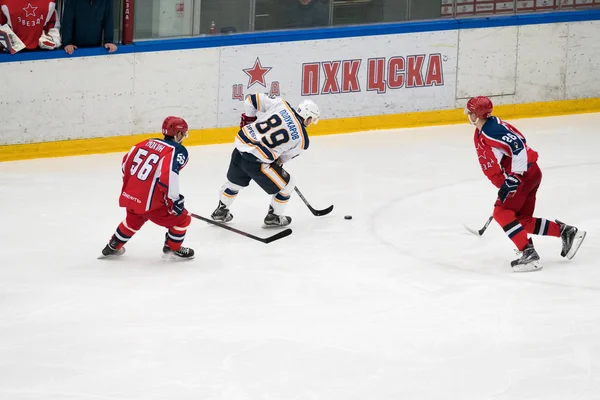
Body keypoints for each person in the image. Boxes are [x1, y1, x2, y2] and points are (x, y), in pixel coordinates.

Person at [466, 96, 586, 272]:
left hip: (523, 176)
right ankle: (566, 232)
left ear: (476, 115)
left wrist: (515, 176)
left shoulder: (491, 130)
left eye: (470, 112)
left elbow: (519, 146)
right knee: (522, 220)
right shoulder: (489, 127)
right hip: (531, 173)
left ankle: (528, 255)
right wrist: (507, 180)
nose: (468, 115)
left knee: (501, 213)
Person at [211, 94, 320, 228]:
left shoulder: (281, 104)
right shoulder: (303, 141)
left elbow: (250, 100)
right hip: (258, 162)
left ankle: (220, 211)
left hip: (241, 146)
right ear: (308, 118)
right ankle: (274, 216)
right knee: (288, 185)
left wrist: (249, 121)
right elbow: (280, 160)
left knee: (234, 183)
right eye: (312, 120)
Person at [100, 116, 194, 260]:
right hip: (153, 204)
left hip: (132, 195)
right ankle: (172, 248)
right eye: (184, 133)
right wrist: (173, 201)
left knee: (134, 219)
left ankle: (113, 245)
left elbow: (125, 164)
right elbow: (169, 176)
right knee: (183, 218)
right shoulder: (177, 150)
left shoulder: (146, 142)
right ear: (179, 133)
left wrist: (136, 187)